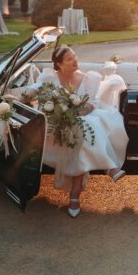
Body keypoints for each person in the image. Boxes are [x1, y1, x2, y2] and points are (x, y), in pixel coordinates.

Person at [16, 45, 128, 217]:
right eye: (69, 59)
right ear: (59, 64)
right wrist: (25, 95)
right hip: (57, 125)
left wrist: (77, 113)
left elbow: (93, 103)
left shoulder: (89, 78)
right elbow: (37, 87)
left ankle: (75, 195)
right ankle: (109, 168)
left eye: (75, 56)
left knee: (86, 126)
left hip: (83, 117)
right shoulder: (49, 77)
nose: (75, 60)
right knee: (82, 129)